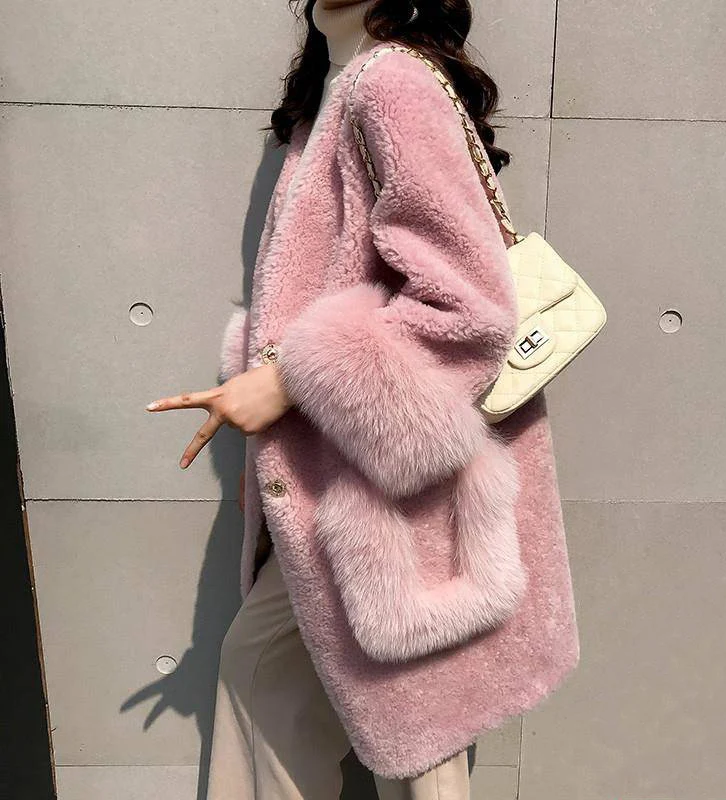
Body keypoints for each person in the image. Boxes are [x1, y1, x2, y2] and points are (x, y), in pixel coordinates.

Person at [146, 0, 580, 797]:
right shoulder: (338, 89)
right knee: (267, 677)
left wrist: (284, 380)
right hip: (341, 483)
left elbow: (469, 307)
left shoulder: (390, 83)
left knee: (417, 729)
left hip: (393, 495)